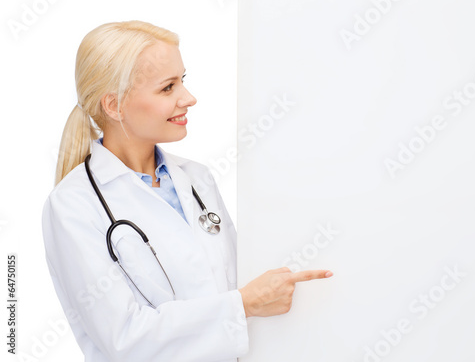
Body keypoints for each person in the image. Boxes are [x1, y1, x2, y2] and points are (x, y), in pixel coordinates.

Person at [41, 20, 333, 362]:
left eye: (183, 80)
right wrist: (244, 304)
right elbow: (124, 339)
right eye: (168, 88)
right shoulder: (72, 206)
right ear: (114, 106)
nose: (189, 98)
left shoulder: (197, 179)